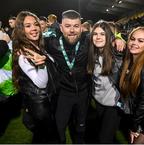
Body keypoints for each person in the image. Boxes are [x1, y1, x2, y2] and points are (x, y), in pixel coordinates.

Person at [44, 9, 126, 144]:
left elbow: (110, 37)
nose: (72, 30)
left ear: (81, 27)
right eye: (67, 26)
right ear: (60, 27)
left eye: (76, 26)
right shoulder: (51, 43)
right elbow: (30, 42)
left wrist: (118, 37)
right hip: (63, 93)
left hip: (84, 93)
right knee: (59, 128)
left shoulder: (89, 40)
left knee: (81, 127)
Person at [12, 11, 59, 143]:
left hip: (48, 103)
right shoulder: (24, 54)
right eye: (28, 26)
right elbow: (41, 83)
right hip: (40, 108)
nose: (34, 28)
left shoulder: (37, 46)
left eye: (35, 24)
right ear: (21, 30)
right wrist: (42, 65)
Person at [87, 20, 123, 143]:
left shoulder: (118, 52)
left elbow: (143, 51)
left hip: (113, 105)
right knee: (101, 132)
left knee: (104, 139)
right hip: (98, 101)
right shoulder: (92, 52)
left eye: (102, 34)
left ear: (109, 36)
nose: (98, 37)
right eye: (95, 34)